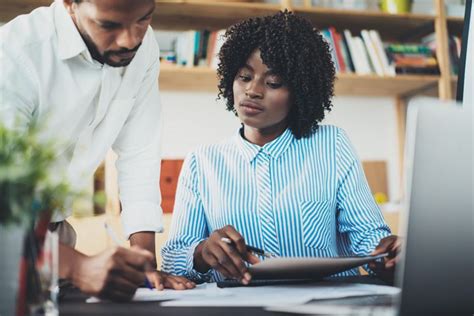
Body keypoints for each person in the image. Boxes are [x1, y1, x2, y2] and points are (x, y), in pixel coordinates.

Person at [161, 11, 401, 285]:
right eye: (243, 76)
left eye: (273, 82)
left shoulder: (331, 146)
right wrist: (202, 253)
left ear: (300, 92)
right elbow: (172, 261)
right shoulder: (201, 162)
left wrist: (389, 252)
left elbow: (369, 239)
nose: (253, 90)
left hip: (325, 306)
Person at [0, 0, 194, 301]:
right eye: (109, 25)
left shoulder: (144, 47)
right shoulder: (15, 54)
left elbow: (139, 152)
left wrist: (142, 263)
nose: (131, 39)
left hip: (55, 239)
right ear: (69, 4)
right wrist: (77, 266)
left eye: (143, 19)